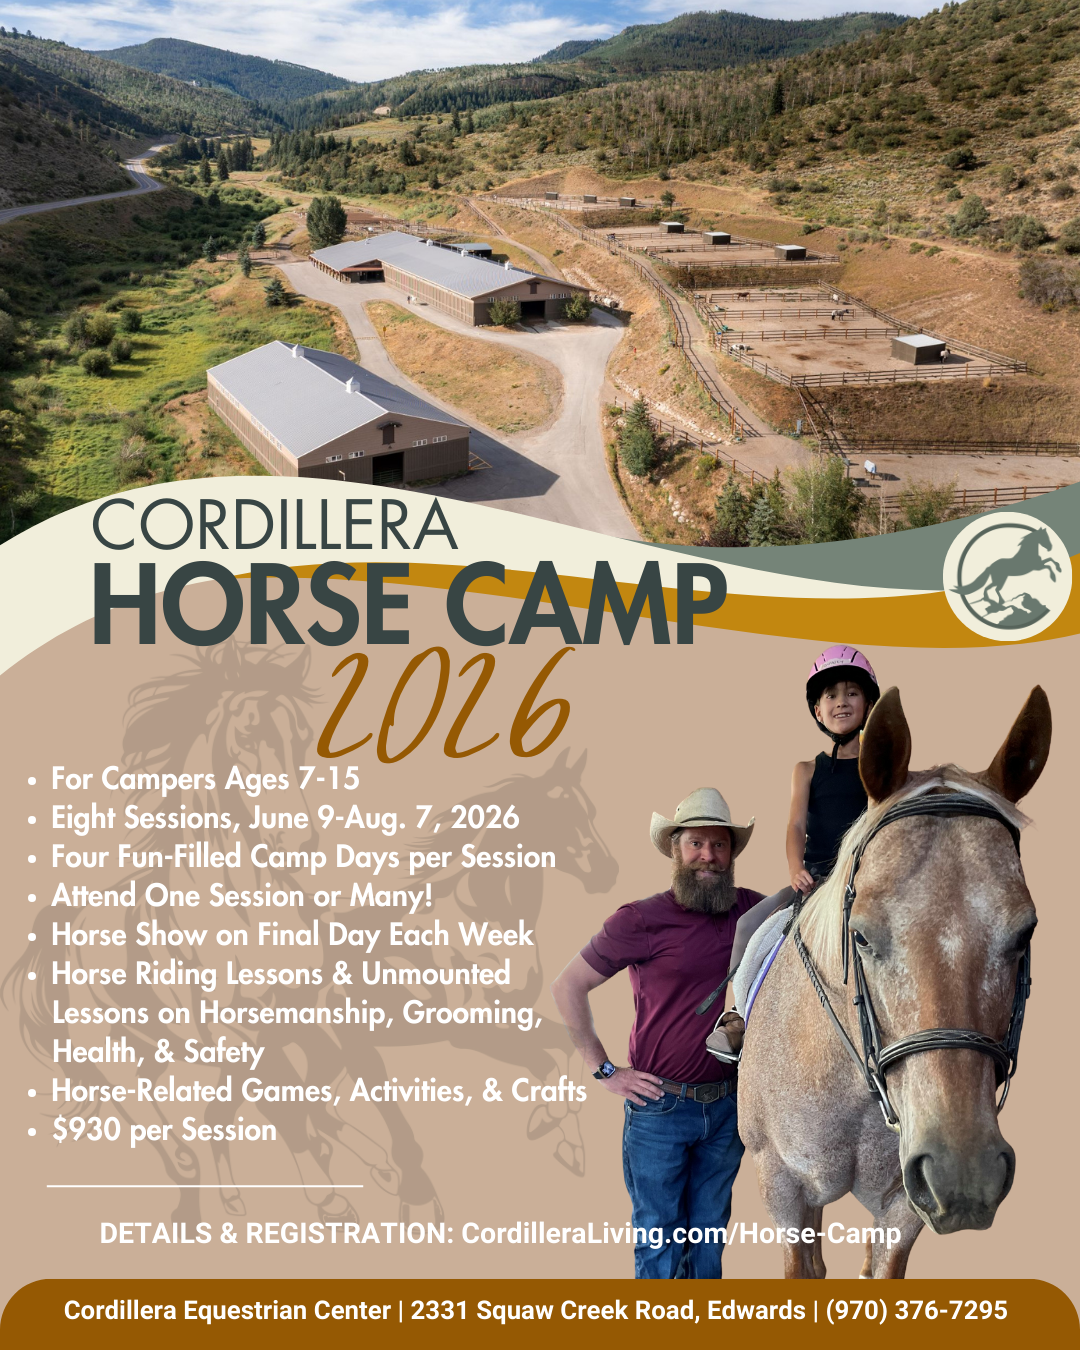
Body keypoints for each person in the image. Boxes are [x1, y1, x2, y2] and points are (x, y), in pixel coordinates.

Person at [550, 788, 763, 1279]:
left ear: (731, 855)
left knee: (708, 1241)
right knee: (659, 1242)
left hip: (728, 1107)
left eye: (719, 845)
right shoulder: (641, 919)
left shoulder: (754, 913)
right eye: (696, 844)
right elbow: (568, 987)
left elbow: (815, 913)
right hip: (659, 1109)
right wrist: (604, 1070)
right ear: (675, 850)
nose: (707, 856)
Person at [707, 646, 881, 1061]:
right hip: (816, 878)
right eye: (831, 695)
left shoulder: (880, 768)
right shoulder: (806, 769)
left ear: (869, 704)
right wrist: (794, 867)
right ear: (818, 711)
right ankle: (738, 1017)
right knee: (749, 924)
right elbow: (796, 825)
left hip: (869, 878)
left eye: (852, 693)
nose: (841, 701)